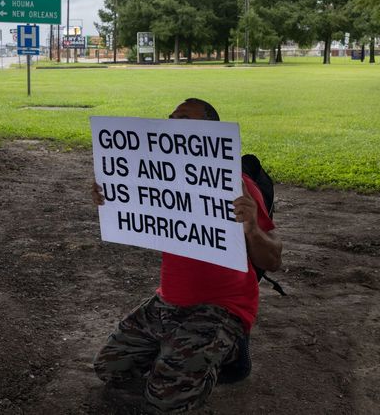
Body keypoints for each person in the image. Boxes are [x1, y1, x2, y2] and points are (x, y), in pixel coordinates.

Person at [91, 98, 283, 414]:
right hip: (167, 302)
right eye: (171, 117)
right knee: (109, 369)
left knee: (164, 402)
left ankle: (231, 352)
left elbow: (274, 259)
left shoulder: (238, 183)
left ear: (211, 134)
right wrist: (111, 192)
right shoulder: (157, 174)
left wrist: (251, 229)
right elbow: (138, 213)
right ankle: (181, 353)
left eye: (185, 119)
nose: (173, 124)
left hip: (223, 307)